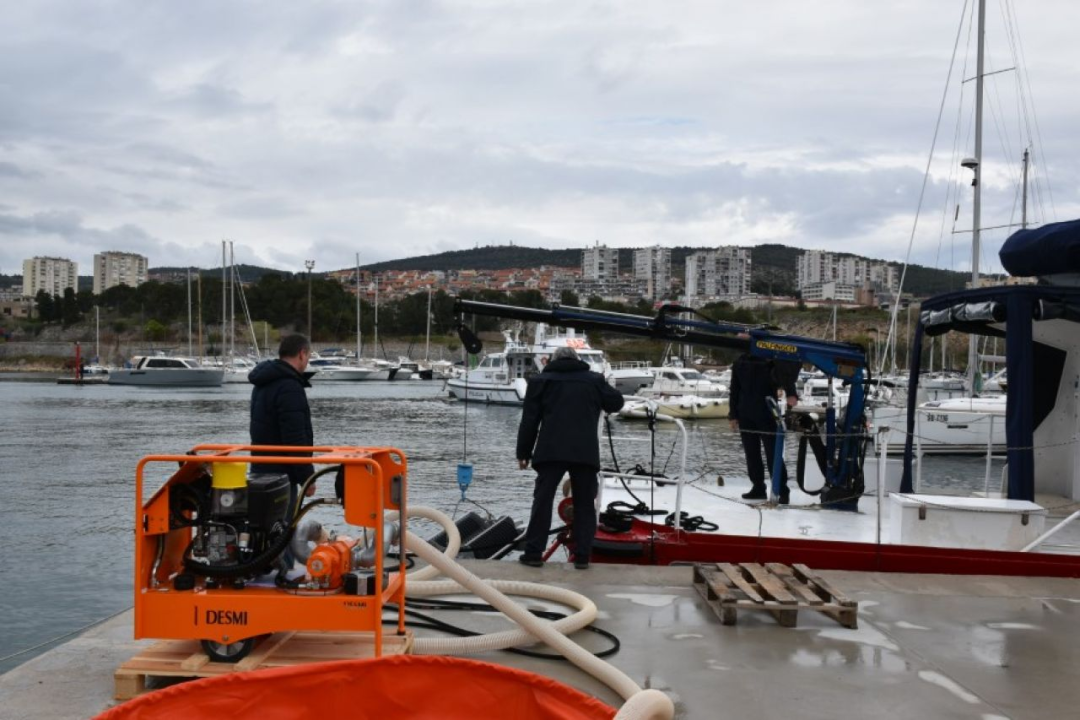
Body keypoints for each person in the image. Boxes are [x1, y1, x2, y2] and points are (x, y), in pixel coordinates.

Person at [516, 346, 624, 569]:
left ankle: (534, 552)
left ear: (552, 361)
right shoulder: (593, 380)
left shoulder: (540, 381)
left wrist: (523, 453)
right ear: (577, 360)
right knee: (585, 505)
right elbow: (616, 403)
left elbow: (530, 421)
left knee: (542, 501)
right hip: (584, 452)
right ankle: (583, 556)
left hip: (550, 451)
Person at [249, 334, 317, 498]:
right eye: (308, 356)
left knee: (265, 521)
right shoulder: (290, 386)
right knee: (283, 522)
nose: (307, 361)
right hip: (282, 474)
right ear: (301, 353)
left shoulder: (263, 382)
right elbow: (294, 437)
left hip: (260, 468)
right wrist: (307, 477)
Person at [728, 353, 800, 504]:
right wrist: (733, 415)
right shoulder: (739, 361)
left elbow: (785, 375)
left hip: (767, 412)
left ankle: (782, 490)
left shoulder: (771, 359)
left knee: (773, 453)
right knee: (751, 453)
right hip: (745, 413)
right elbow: (734, 389)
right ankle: (758, 487)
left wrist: (791, 393)